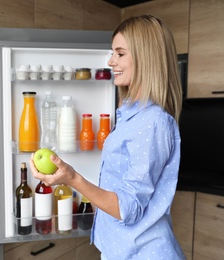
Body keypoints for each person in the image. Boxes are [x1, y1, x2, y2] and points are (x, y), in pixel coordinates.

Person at [29, 15, 185, 260]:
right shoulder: (130, 114)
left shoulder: (153, 122)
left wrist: (72, 178)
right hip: (121, 250)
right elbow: (116, 187)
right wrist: (66, 180)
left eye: (120, 53)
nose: (111, 61)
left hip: (144, 253)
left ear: (146, 58)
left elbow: (127, 209)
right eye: (113, 53)